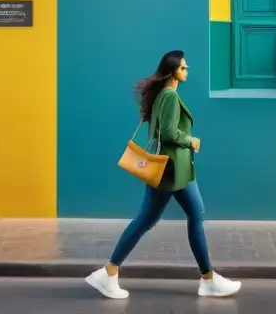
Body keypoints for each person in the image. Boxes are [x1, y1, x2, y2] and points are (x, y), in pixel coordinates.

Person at [85, 50, 242, 299]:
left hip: (176, 170)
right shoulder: (168, 96)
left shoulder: (163, 95)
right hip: (171, 171)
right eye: (183, 67)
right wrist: (191, 141)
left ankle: (207, 278)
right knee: (157, 218)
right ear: (173, 72)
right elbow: (168, 133)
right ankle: (109, 273)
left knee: (170, 216)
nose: (187, 70)